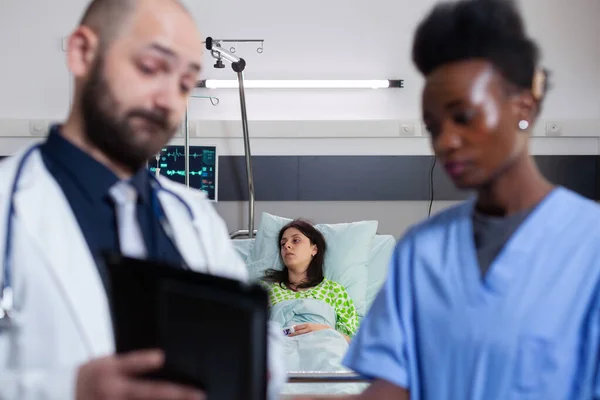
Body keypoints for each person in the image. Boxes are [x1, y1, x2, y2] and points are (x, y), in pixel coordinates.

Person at [295, 0, 600, 399]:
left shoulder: (589, 245)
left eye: (464, 117)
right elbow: (392, 389)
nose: (445, 141)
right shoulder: (422, 251)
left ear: (523, 106)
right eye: (433, 126)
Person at [0, 0, 285, 399]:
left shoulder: (194, 218)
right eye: (151, 68)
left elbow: (261, 343)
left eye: (186, 84)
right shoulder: (8, 205)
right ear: (83, 52)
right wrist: (67, 390)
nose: (170, 100)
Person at [262, 219, 359, 343]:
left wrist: (324, 330)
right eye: (283, 243)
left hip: (324, 350)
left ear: (314, 249)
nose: (287, 246)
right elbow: (252, 332)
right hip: (281, 351)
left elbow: (354, 344)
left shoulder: (334, 291)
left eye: (296, 240)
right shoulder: (267, 289)